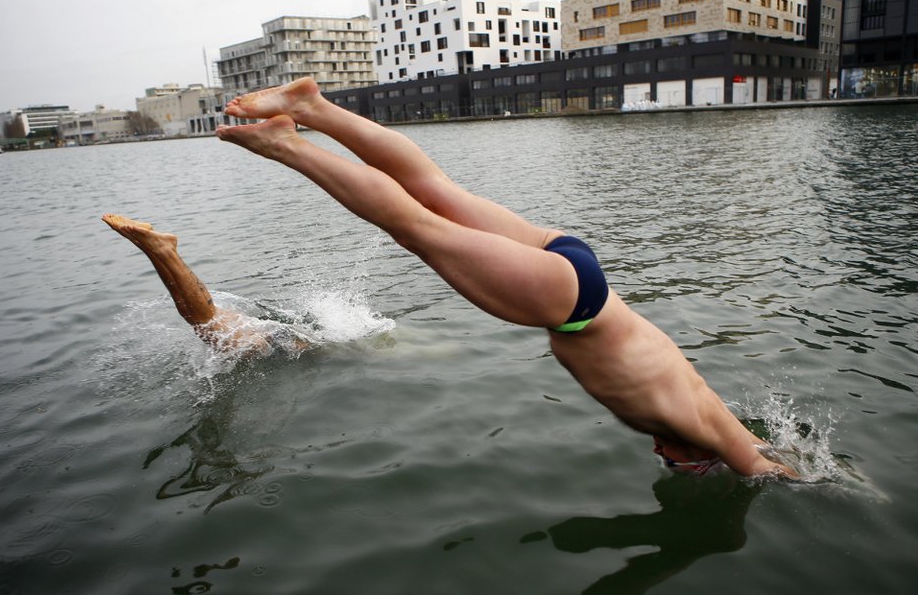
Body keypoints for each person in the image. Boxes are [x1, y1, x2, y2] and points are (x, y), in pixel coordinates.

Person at [213, 78, 794, 478]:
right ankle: (288, 144)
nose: (661, 454)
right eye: (674, 463)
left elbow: (758, 446)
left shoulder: (704, 416)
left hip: (571, 264)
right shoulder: (708, 426)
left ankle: (313, 106)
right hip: (572, 305)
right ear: (696, 454)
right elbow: (762, 466)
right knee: (415, 225)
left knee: (434, 191)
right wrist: (808, 484)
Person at [101, 213, 298, 357]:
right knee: (207, 324)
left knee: (192, 314)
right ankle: (164, 250)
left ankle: (148, 244)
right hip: (279, 338)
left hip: (276, 334)